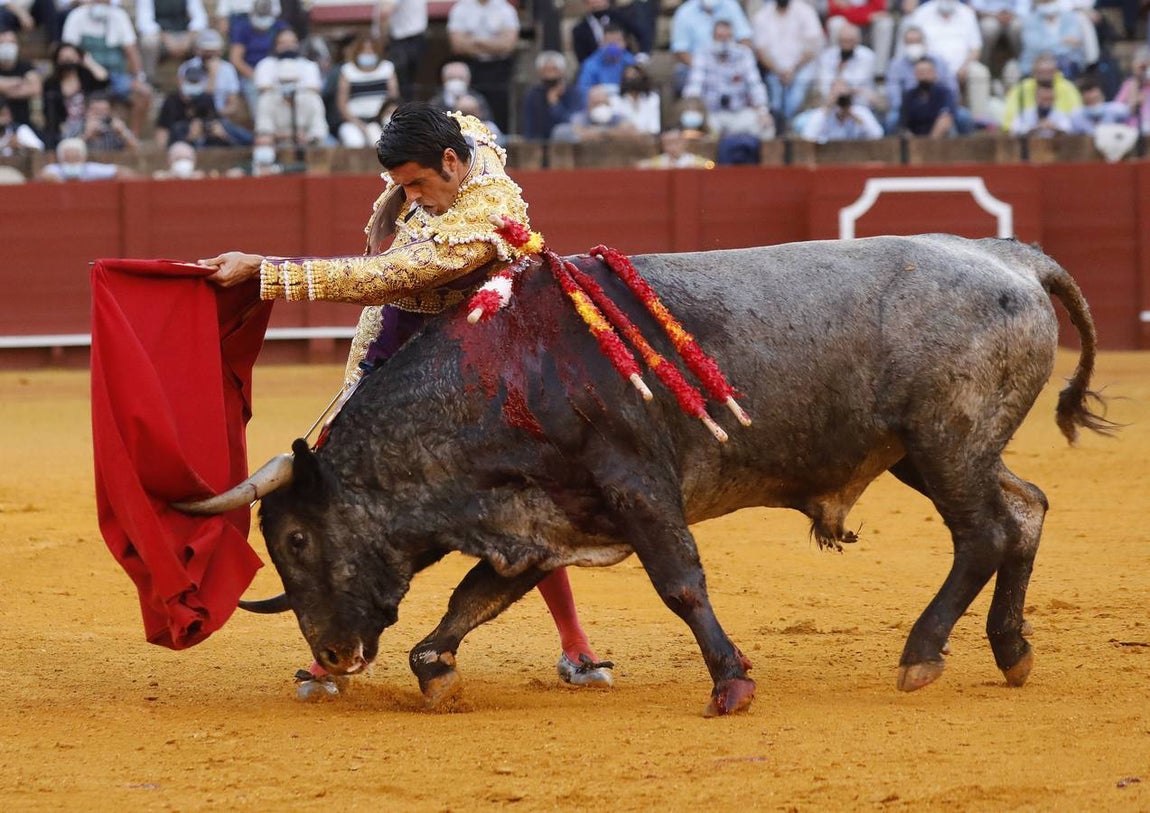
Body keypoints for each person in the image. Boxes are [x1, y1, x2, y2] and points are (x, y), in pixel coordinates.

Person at [198, 102, 614, 694]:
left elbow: (385, 277)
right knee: (342, 489)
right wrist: (399, 196)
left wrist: (267, 271)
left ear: (451, 163)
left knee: (521, 499)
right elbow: (457, 134)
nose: (413, 196)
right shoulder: (461, 144)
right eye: (402, 185)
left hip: (470, 363)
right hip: (391, 346)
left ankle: (575, 643)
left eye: (418, 183)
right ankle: (335, 651)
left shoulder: (487, 217)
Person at [60, 0, 153, 136]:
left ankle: (132, 138)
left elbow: (131, 50)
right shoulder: (76, 16)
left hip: (115, 76)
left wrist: (139, 78)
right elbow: (68, 50)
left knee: (143, 93)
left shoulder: (119, 16)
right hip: (86, 76)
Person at [683, 20, 774, 141]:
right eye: (720, 37)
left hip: (739, 113)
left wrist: (762, 111)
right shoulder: (703, 54)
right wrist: (693, 108)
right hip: (712, 113)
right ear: (713, 37)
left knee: (766, 127)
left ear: (733, 37)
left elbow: (755, 85)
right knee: (693, 124)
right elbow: (694, 85)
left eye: (727, 37)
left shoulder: (744, 54)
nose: (724, 41)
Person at [907, 0, 991, 121]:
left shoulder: (967, 13)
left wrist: (965, 66)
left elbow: (976, 48)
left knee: (980, 72)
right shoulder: (922, 12)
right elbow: (915, 44)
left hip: (962, 66)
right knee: (924, 72)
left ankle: (980, 119)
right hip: (933, 65)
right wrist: (932, 68)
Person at [446, 0, 518, 133]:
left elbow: (508, 44)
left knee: (499, 109)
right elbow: (457, 44)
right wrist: (495, 42)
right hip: (470, 66)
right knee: (466, 104)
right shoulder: (461, 8)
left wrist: (476, 41)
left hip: (498, 68)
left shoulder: (505, 9)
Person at [751, 0, 825, 130]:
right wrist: (779, 71)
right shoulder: (762, 16)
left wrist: (793, 69)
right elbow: (761, 51)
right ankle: (779, 126)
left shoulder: (805, 11)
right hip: (773, 70)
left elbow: (813, 47)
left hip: (802, 66)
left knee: (797, 92)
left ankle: (788, 124)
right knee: (775, 95)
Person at [252, 26, 327, 145]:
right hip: (277, 142)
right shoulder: (267, 99)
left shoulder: (311, 97)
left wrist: (308, 138)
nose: (288, 46)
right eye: (284, 82)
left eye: (292, 42)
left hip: (306, 143)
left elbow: (319, 133)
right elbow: (263, 135)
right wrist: (290, 135)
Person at [886, 25, 965, 133]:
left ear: (924, 42)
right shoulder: (896, 65)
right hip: (909, 106)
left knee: (962, 117)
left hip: (939, 105)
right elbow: (894, 92)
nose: (914, 45)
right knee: (892, 120)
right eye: (910, 42)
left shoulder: (939, 61)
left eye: (917, 41)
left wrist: (946, 108)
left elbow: (951, 88)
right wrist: (908, 109)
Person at [669, 0, 753, 94]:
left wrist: (733, 65)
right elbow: (680, 50)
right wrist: (705, 67)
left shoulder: (731, 5)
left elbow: (745, 39)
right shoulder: (684, 11)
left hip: (731, 66)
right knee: (684, 75)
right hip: (696, 66)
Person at [335, 33, 398, 149]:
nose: (368, 54)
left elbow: (393, 98)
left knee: (381, 141)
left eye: (371, 51)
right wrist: (359, 124)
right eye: (364, 51)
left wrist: (380, 120)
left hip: (381, 120)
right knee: (354, 142)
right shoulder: (347, 70)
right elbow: (342, 104)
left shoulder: (387, 68)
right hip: (354, 121)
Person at [41, 42, 109, 148]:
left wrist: (88, 61)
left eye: (71, 57)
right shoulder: (51, 83)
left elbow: (104, 79)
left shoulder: (86, 77)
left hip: (88, 122)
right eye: (64, 57)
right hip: (65, 127)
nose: (68, 60)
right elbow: (50, 113)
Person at [1000, 52, 1082, 131]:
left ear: (1056, 71)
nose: (1045, 76)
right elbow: (1009, 121)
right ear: (1033, 71)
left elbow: (1077, 118)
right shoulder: (1021, 89)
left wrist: (1056, 127)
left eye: (1049, 72)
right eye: (1041, 72)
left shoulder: (1068, 88)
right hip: (1026, 136)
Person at [135, 0, 209, 78]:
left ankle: (203, 78)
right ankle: (148, 79)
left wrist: (188, 38)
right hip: (160, 36)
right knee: (149, 42)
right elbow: (144, 23)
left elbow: (200, 19)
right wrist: (167, 39)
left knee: (206, 40)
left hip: (185, 35)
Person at [520, 49, 583, 141]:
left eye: (554, 70)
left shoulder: (573, 93)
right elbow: (529, 125)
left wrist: (555, 105)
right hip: (539, 142)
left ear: (561, 71)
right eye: (546, 70)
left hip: (565, 142)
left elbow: (573, 122)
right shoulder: (533, 95)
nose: (550, 75)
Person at [825, 0, 894, 80]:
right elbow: (834, 10)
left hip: (868, 25)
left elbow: (880, 8)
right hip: (847, 22)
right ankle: (832, 72)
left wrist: (850, 10)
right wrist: (866, 15)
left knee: (884, 23)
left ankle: (879, 75)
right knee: (835, 23)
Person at [801, 76, 885, 141]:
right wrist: (828, 107)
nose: (841, 100)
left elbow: (878, 135)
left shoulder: (861, 112)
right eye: (837, 94)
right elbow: (808, 136)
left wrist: (853, 115)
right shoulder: (822, 113)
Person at [815, 22, 878, 108]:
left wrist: (841, 85)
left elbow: (857, 81)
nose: (846, 44)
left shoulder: (867, 56)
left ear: (857, 40)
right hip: (830, 102)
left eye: (850, 40)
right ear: (838, 40)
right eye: (843, 40)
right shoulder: (827, 55)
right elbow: (824, 81)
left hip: (858, 103)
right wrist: (836, 89)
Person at [374, 0, 426, 103]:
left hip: (402, 42)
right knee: (408, 86)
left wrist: (382, 40)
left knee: (400, 86)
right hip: (411, 39)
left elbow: (385, 12)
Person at [1018, 0, 1086, 79]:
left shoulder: (1070, 17)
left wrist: (1046, 45)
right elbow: (1034, 45)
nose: (1048, 4)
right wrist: (1062, 41)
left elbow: (1074, 42)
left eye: (1050, 1)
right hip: (1035, 63)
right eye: (1044, 2)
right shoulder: (1030, 19)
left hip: (1066, 65)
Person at [898, 57, 957, 137]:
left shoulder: (944, 92)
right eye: (921, 73)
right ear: (915, 75)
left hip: (938, 137)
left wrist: (930, 142)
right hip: (915, 137)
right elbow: (903, 124)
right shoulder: (909, 95)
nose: (925, 76)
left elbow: (946, 118)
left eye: (928, 72)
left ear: (935, 73)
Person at [571, 0, 644, 66]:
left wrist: (642, 55)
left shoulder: (620, 17)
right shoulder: (579, 29)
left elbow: (641, 34)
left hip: (623, 66)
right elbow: (582, 60)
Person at [576, 23, 636, 97]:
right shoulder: (590, 64)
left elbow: (639, 86)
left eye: (617, 41)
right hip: (601, 100)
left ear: (625, 43)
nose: (613, 46)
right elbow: (582, 91)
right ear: (602, 43)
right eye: (609, 42)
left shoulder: (630, 61)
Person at [39, 135, 134, 180]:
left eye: (76, 157)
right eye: (68, 158)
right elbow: (42, 176)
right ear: (61, 159)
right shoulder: (54, 170)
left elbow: (123, 172)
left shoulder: (90, 169)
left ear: (83, 158)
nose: (72, 160)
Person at [0, 29, 41, 132]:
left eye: (11, 42)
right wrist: (18, 82)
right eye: (2, 43)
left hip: (23, 123)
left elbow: (35, 89)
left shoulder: (25, 66)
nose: (7, 46)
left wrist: (3, 91)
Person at [428, 61, 492, 120]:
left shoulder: (478, 99)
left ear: (468, 80)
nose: (456, 81)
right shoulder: (436, 101)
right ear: (443, 80)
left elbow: (488, 121)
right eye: (451, 78)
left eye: (460, 78)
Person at [613, 62, 660, 135]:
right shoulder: (615, 100)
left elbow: (654, 127)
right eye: (628, 77)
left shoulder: (652, 98)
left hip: (647, 137)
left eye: (634, 76)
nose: (631, 79)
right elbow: (616, 126)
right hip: (625, 137)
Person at [636, 126, 714, 168]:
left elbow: (711, 167)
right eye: (667, 143)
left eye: (676, 142)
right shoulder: (654, 164)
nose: (672, 147)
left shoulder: (699, 163)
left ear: (684, 142)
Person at [1114, 48, 1150, 135]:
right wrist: (1137, 80)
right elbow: (1117, 109)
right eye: (1142, 68)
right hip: (1132, 130)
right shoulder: (1130, 84)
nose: (1144, 71)